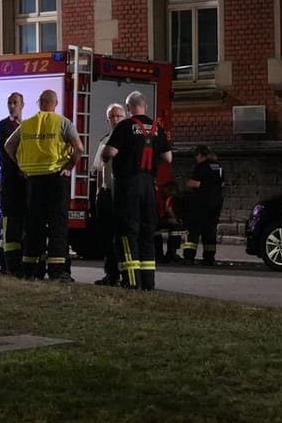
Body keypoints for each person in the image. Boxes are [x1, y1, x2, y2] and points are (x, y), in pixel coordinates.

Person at [3, 89, 86, 282]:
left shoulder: (28, 124)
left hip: (34, 180)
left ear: (39, 103)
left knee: (34, 224)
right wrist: (69, 166)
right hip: (56, 178)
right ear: (55, 103)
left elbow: (9, 145)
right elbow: (79, 148)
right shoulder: (62, 123)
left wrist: (22, 164)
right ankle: (57, 271)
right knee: (57, 224)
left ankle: (31, 269)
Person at [103, 91, 173, 291]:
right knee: (146, 233)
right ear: (146, 107)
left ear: (128, 108)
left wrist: (109, 158)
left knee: (128, 232)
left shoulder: (125, 126)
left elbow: (110, 152)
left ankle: (132, 281)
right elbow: (168, 158)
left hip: (128, 185)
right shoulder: (157, 128)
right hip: (149, 185)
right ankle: (148, 282)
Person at [91, 102, 126, 287]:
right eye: (112, 117)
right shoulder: (104, 141)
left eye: (119, 116)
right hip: (106, 193)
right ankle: (111, 274)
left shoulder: (128, 140)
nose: (115, 119)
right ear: (108, 120)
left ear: (125, 118)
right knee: (106, 236)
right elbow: (98, 169)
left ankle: (125, 274)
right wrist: (98, 192)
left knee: (121, 236)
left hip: (121, 194)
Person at [0, 92, 26, 277]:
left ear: (23, 105)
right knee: (9, 223)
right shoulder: (4, 126)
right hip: (10, 180)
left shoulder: (25, 126)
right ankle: (6, 263)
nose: (12, 106)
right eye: (10, 103)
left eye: (15, 103)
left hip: (23, 182)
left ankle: (13, 260)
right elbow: (8, 151)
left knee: (19, 223)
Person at [183, 145, 225, 265]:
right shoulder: (218, 166)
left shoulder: (202, 166)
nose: (196, 159)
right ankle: (209, 258)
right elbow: (221, 183)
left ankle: (189, 257)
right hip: (216, 203)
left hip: (201, 203)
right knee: (210, 231)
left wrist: (188, 183)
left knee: (194, 230)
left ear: (200, 155)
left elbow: (194, 183)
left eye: (197, 156)